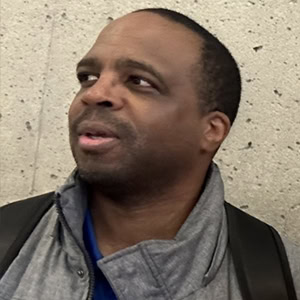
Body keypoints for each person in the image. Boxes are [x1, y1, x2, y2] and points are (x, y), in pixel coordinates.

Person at [0, 8, 299, 300]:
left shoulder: (281, 277)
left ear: (211, 130)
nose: (93, 94)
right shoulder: (9, 241)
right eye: (88, 76)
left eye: (139, 81)